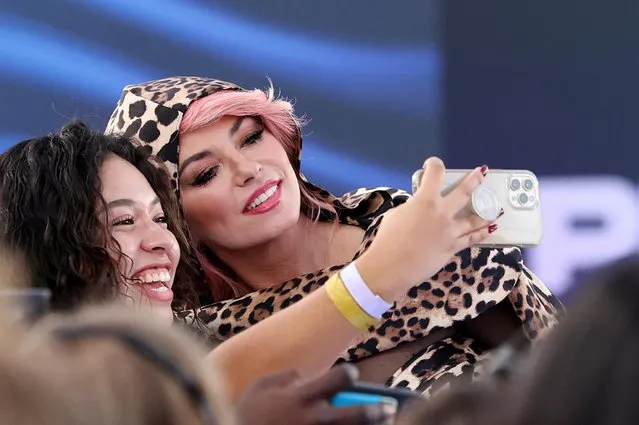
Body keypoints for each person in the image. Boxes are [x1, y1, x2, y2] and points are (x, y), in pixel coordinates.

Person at [105, 76, 563, 396]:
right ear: (173, 216)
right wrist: (384, 274)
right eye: (206, 174)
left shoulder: (397, 217)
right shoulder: (197, 342)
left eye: (250, 138)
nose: (250, 170)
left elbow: (566, 365)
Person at [0, 121, 495, 402]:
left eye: (159, 218)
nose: (162, 243)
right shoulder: (34, 391)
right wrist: (381, 274)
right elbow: (208, 389)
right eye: (124, 222)